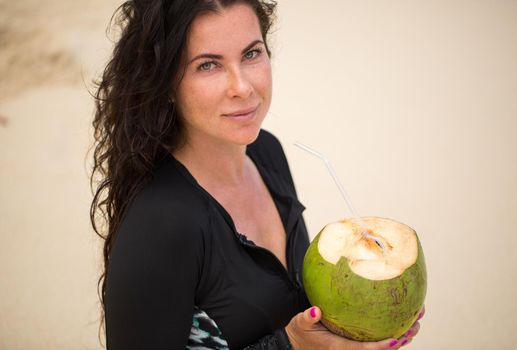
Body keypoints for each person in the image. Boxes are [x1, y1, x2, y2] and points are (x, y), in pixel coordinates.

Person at [90, 0, 423, 349]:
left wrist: (354, 327)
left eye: (251, 54)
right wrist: (289, 345)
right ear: (166, 83)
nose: (243, 87)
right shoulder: (161, 224)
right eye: (208, 65)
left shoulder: (267, 153)